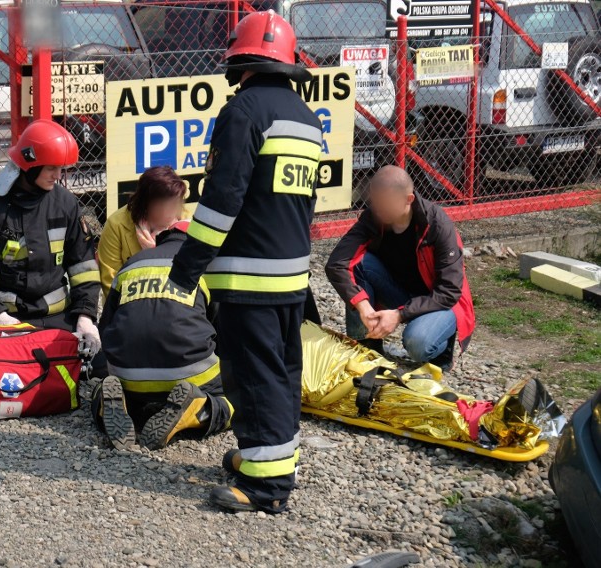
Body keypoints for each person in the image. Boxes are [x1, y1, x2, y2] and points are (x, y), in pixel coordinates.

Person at [166, 10, 321, 514]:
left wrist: (187, 268)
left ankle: (266, 489)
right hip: (292, 275)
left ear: (240, 61)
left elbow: (222, 201)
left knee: (253, 376)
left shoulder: (243, 112)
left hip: (248, 276)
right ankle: (271, 461)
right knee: (280, 371)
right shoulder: (306, 118)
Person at [0, 120, 104, 370]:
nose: (58, 176)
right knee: (7, 372)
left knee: (102, 365)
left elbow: (83, 267)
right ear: (29, 165)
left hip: (59, 318)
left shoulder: (65, 204)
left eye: (61, 168)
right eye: (52, 169)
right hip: (10, 320)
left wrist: (85, 318)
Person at [92, 221, 233, 450]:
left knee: (104, 386)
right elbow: (225, 333)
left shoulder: (132, 264)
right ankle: (199, 409)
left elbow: (106, 326)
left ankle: (107, 403)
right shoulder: (205, 264)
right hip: (188, 372)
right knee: (241, 397)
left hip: (127, 373)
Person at [324, 165, 476, 370]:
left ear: (408, 200)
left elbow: (449, 292)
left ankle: (442, 351)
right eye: (376, 203)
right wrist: (363, 306)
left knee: (417, 343)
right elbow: (337, 264)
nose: (379, 210)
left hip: (439, 302)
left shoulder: (438, 225)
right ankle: (366, 347)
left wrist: (398, 315)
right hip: (400, 294)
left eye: (385, 204)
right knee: (359, 262)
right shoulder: (373, 217)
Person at [97, 166, 188, 300]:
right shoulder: (116, 226)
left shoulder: (185, 221)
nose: (172, 212)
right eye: (165, 205)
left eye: (176, 204)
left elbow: (189, 275)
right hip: (130, 304)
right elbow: (110, 284)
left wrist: (156, 253)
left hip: (174, 302)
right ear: (146, 204)